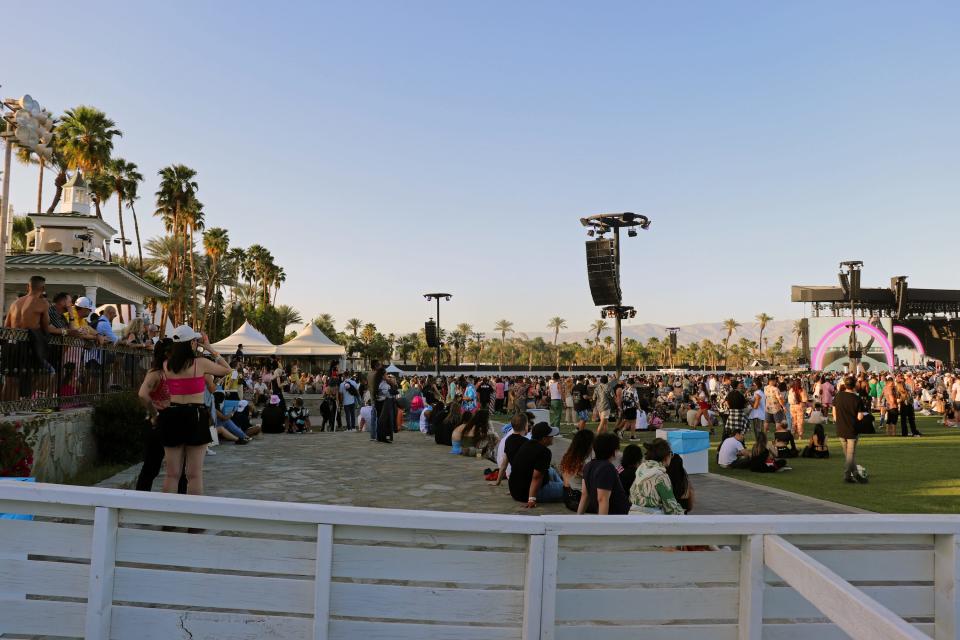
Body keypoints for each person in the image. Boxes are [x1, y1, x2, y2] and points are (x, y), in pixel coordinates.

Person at [155, 326, 231, 495]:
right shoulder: (200, 363)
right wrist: (209, 348)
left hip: (171, 415)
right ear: (190, 343)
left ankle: (168, 516)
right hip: (195, 415)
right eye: (195, 341)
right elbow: (227, 369)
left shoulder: (166, 365)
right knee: (194, 475)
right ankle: (193, 517)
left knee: (172, 474)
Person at [136, 339, 186, 493]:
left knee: (179, 468)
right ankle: (140, 500)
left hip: (173, 419)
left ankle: (180, 501)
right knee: (152, 466)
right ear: (167, 353)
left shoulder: (172, 371)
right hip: (160, 420)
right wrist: (155, 413)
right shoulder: (156, 373)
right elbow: (143, 395)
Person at [508, 422, 563, 507]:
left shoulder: (526, 444)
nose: (553, 438)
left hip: (515, 491)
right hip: (527, 493)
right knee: (568, 490)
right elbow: (536, 477)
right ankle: (564, 487)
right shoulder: (545, 452)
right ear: (544, 439)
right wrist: (531, 499)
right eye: (551, 436)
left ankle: (561, 484)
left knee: (551, 470)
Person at [577, 433, 630, 515]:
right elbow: (602, 499)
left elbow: (584, 496)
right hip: (619, 515)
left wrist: (578, 519)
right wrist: (602, 525)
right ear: (613, 451)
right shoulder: (607, 468)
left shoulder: (588, 465)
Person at [628, 439, 685, 515]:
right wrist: (683, 514)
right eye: (671, 454)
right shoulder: (661, 476)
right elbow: (671, 507)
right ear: (666, 456)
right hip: (651, 519)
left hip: (632, 515)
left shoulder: (641, 468)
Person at [834, 375, 867, 484]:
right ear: (854, 385)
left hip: (840, 427)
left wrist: (837, 419)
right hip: (852, 429)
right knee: (850, 455)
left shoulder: (838, 396)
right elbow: (859, 417)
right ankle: (848, 475)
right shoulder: (857, 399)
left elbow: (834, 411)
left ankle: (855, 474)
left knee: (849, 456)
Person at [559, 429, 595, 512]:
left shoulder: (569, 456)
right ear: (589, 444)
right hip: (578, 499)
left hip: (567, 495)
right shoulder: (584, 462)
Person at [494, 413, 529, 486]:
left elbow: (504, 464)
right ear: (526, 426)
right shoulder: (527, 442)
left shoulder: (508, 440)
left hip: (513, 482)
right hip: (523, 483)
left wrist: (498, 482)